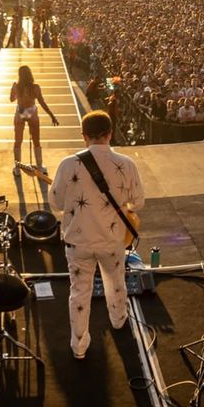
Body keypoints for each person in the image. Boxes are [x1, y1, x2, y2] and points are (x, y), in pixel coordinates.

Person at [49, 110, 145, 360]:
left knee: (79, 291)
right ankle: (118, 320)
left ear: (84, 136)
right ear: (110, 133)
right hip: (112, 241)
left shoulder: (68, 164)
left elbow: (57, 203)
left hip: (77, 243)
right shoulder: (127, 164)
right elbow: (139, 202)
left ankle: (79, 345)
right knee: (115, 282)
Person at [10, 64, 58, 176]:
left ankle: (17, 168)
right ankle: (40, 167)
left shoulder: (16, 86)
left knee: (18, 141)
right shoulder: (35, 87)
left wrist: (15, 92)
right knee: (36, 141)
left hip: (20, 111)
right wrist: (52, 116)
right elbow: (42, 102)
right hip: (32, 112)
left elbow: (11, 99)